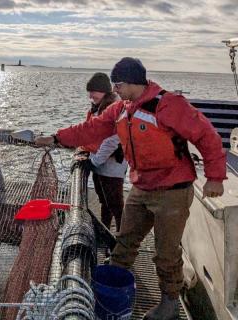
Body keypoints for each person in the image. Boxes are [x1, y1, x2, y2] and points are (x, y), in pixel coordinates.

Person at [36, 57, 226, 320]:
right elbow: (91, 128)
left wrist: (215, 177)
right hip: (141, 186)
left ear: (133, 83)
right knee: (125, 241)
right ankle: (111, 289)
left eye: (119, 84)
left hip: (172, 191)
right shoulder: (121, 109)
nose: (116, 90)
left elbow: (207, 137)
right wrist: (57, 137)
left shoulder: (169, 104)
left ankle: (169, 303)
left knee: (166, 252)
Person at [81, 72, 127, 236]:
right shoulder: (96, 109)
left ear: (105, 92)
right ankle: (104, 232)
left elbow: (114, 140)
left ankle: (122, 240)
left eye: (94, 91)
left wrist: (95, 161)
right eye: (90, 91)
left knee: (116, 205)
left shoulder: (114, 109)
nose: (91, 95)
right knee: (104, 202)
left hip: (112, 166)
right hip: (98, 163)